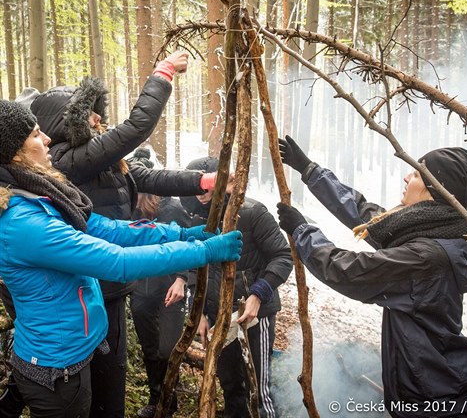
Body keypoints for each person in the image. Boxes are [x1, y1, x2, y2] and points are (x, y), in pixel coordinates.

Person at [0, 99, 243, 418]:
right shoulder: (25, 223)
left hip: (67, 356)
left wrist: (181, 235)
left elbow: (108, 228)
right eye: (35, 134)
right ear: (16, 152)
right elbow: (117, 261)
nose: (46, 139)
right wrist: (204, 252)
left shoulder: (39, 197)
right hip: (56, 372)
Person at [276, 135, 467, 418]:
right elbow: (366, 215)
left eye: (418, 172)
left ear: (437, 190)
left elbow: (348, 270)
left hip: (436, 401)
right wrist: (310, 170)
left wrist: (303, 231)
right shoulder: (437, 232)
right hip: (438, 386)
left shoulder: (427, 257)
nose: (408, 176)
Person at [180, 157, 293, 418]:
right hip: (218, 315)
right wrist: (198, 315)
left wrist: (258, 294)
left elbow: (283, 256)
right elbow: (196, 267)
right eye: (197, 186)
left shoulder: (252, 212)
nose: (201, 193)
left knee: (258, 387)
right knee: (230, 384)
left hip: (255, 314)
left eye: (206, 185)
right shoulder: (196, 218)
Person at [127, 148, 191, 418]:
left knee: (167, 349)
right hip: (140, 290)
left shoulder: (171, 207)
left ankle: (170, 398)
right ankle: (158, 402)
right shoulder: (128, 207)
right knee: (150, 350)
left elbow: (188, 243)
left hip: (169, 289)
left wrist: (181, 279)